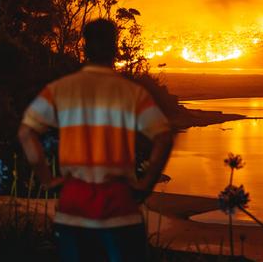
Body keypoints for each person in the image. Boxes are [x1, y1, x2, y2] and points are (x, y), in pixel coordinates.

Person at [18, 19, 173, 261]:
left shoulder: (59, 89)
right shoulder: (132, 93)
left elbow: (26, 133)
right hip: (120, 209)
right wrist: (146, 184)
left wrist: (47, 179)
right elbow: (163, 137)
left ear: (85, 47)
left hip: (73, 211)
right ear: (115, 48)